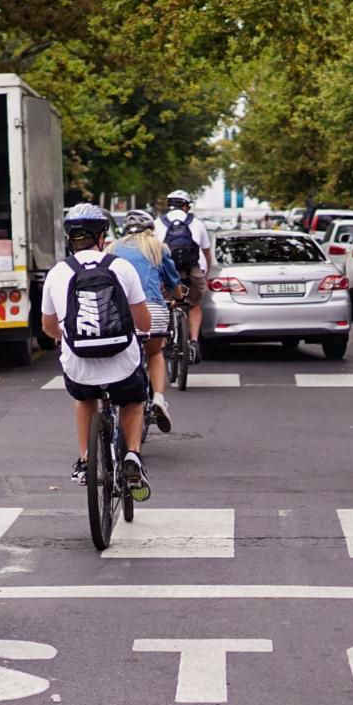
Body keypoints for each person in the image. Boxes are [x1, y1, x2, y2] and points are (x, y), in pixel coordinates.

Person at [42, 203, 154, 498]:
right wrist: (139, 334)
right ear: (102, 236)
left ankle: (85, 460)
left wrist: (61, 337)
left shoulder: (57, 273)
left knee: (84, 398)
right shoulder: (121, 267)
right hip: (122, 363)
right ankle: (132, 455)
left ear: (70, 238)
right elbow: (143, 322)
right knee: (133, 400)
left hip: (80, 365)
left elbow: (48, 326)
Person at [111, 209, 184, 432]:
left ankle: (117, 402)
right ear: (151, 229)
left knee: (123, 352)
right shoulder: (157, 248)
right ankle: (159, 399)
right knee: (155, 352)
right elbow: (173, 284)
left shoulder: (112, 248)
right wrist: (179, 298)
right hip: (153, 309)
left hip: (120, 311)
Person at [156, 190, 213, 352]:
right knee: (194, 305)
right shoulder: (197, 223)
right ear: (186, 206)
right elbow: (206, 252)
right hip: (191, 270)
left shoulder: (158, 223)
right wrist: (206, 272)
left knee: (165, 304)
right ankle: (194, 341)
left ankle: (164, 343)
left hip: (166, 271)